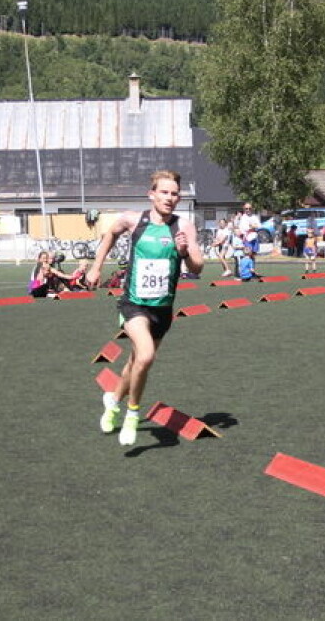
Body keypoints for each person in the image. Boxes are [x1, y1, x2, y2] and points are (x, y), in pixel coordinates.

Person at [86, 170, 203, 446]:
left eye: (175, 194)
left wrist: (184, 252)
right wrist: (95, 267)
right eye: (164, 192)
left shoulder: (184, 227)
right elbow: (109, 236)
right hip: (134, 304)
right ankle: (132, 415)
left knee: (135, 363)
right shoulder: (132, 220)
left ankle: (113, 401)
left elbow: (198, 267)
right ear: (151, 194)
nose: (170, 198)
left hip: (162, 310)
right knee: (146, 356)